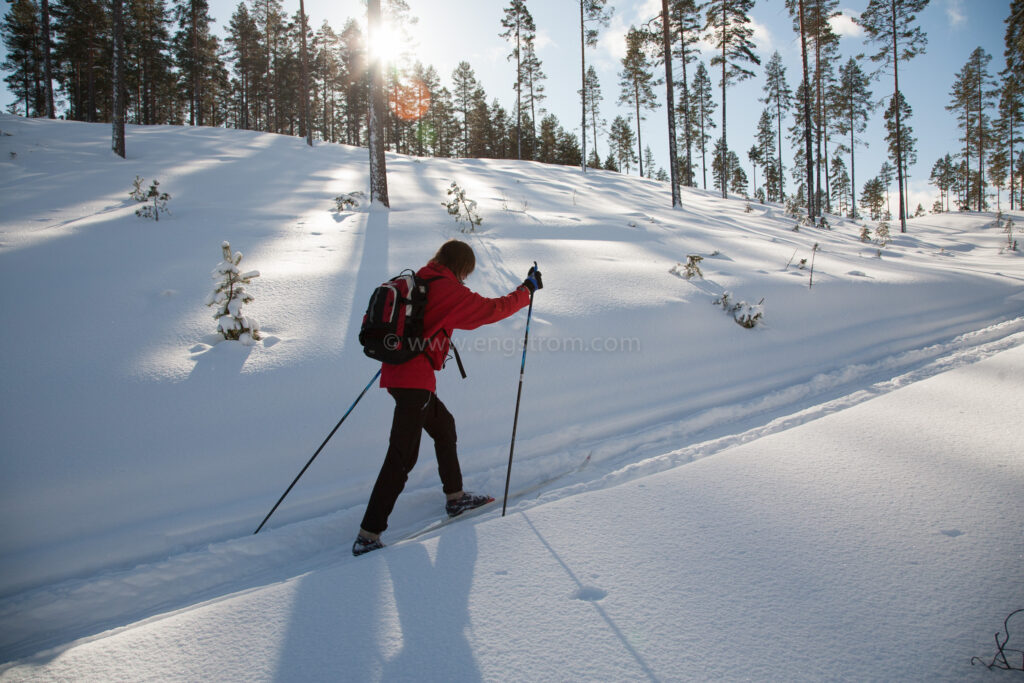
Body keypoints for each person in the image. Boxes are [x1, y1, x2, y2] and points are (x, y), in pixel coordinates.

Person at [353, 240, 543, 556]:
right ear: (461, 267)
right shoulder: (446, 288)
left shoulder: (422, 278)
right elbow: (491, 310)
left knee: (444, 427)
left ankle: (456, 498)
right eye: (466, 272)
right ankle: (368, 534)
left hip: (403, 376)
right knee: (401, 457)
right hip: (414, 381)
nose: (465, 278)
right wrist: (527, 290)